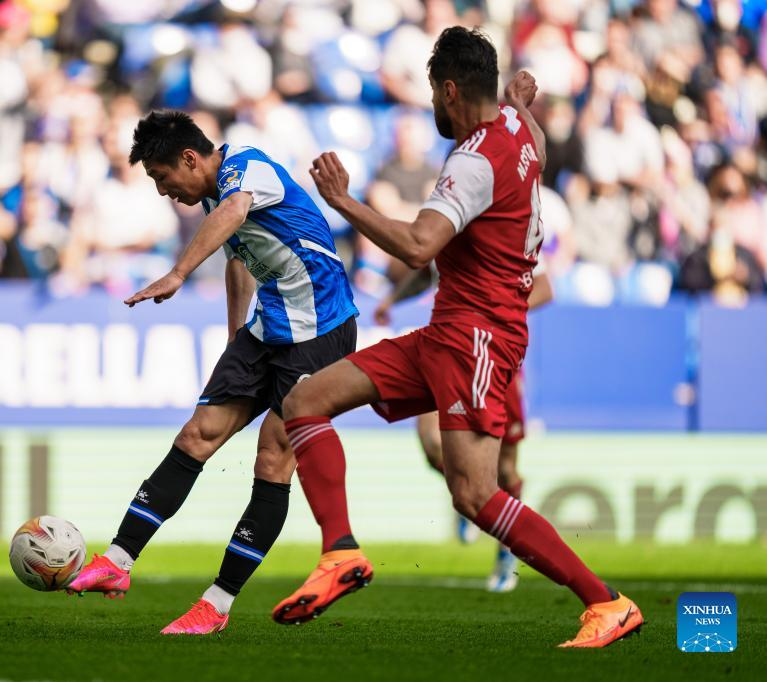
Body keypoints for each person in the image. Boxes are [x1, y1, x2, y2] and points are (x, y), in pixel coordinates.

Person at [272, 27, 643, 649]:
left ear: (449, 91)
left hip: (478, 336)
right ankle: (340, 553)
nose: (431, 106)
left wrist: (344, 202)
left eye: (431, 94)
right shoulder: (517, 128)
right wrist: (519, 104)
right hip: (447, 330)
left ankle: (606, 603)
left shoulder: (473, 160)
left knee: (475, 493)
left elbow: (420, 245)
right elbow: (538, 145)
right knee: (304, 401)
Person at [65, 110, 359, 636]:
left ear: (189, 158)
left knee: (273, 458)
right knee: (196, 435)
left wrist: (178, 272)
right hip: (268, 328)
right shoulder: (215, 199)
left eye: (161, 177)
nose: (162, 191)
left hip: (321, 330)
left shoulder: (247, 168)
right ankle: (117, 560)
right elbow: (241, 260)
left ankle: (216, 604)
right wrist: (234, 338)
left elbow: (235, 210)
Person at [374, 266, 554, 592]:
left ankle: (506, 548)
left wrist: (494, 314)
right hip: (449, 348)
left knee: (505, 469)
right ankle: (466, 489)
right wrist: (391, 299)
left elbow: (545, 289)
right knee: (432, 444)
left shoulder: (511, 238)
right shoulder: (444, 233)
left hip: (496, 354)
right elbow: (425, 270)